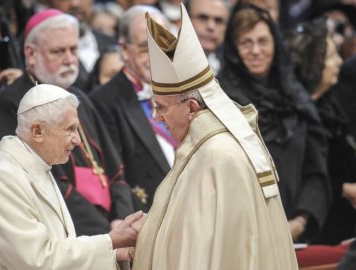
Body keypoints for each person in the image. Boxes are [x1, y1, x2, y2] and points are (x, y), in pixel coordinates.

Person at [132, 4, 297, 269]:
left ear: (192, 108)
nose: (157, 117)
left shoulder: (218, 156)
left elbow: (211, 255)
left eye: (161, 107)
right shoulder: (209, 146)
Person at [0, 9, 135, 236]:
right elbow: (39, 184)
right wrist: (105, 235)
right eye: (58, 51)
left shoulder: (82, 100)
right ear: (31, 54)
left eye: (73, 49)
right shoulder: (15, 105)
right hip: (67, 235)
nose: (70, 60)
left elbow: (114, 171)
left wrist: (121, 218)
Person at [0, 83, 144, 269]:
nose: (78, 140)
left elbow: (59, 249)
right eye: (70, 129)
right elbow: (37, 260)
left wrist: (112, 255)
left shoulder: (38, 167)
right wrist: (110, 242)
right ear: (38, 131)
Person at [218, 3, 332, 242]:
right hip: (241, 234)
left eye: (263, 41)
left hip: (295, 233)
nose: (256, 50)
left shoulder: (295, 97)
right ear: (233, 49)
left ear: (275, 44)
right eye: (246, 43)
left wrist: (300, 222)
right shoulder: (220, 101)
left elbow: (316, 171)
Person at [90, 5, 173, 211]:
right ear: (125, 50)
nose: (156, 56)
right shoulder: (103, 102)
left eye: (162, 45)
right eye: (145, 48)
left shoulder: (185, 90)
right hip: (150, 214)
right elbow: (116, 177)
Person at [287, 17, 356, 245]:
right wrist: (345, 188)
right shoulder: (293, 113)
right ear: (313, 64)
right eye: (330, 56)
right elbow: (300, 173)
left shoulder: (329, 105)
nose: (338, 62)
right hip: (315, 225)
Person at [185, 0, 230, 74]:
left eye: (218, 21)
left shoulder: (232, 71)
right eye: (203, 18)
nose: (211, 26)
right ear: (185, 19)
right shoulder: (165, 64)